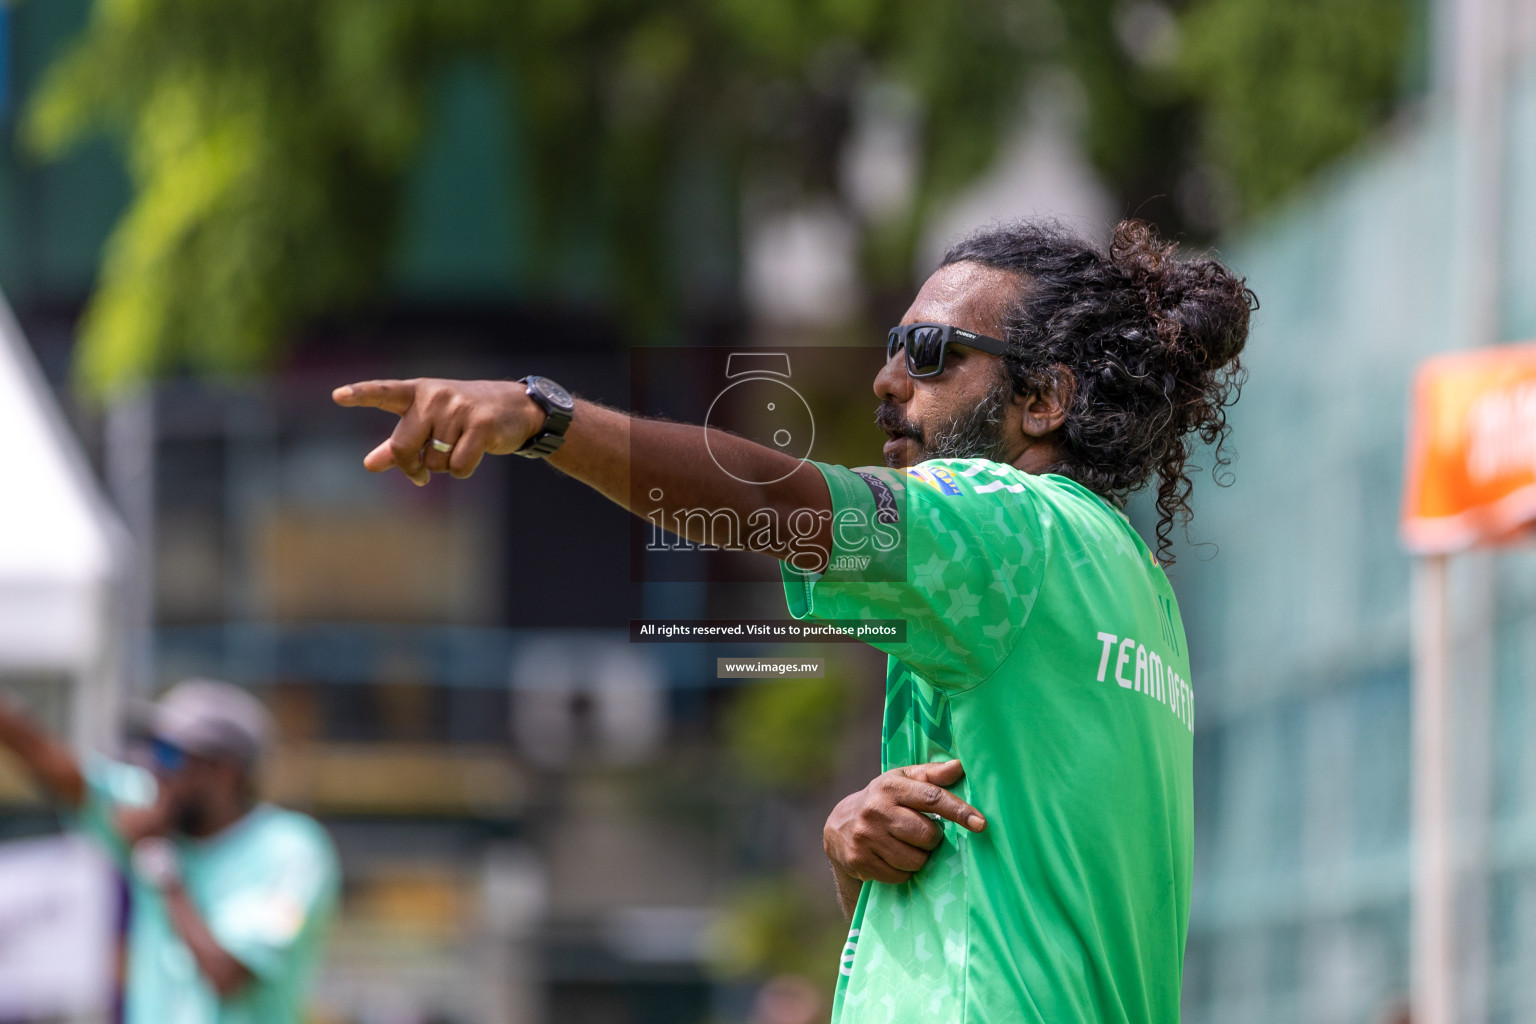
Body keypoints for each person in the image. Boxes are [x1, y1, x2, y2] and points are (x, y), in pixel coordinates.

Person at [334, 218, 1252, 1022]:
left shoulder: (1006, 524)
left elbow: (784, 506)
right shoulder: (1134, 589)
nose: (890, 380)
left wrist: (542, 420)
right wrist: (856, 847)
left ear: (1043, 400)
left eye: (932, 353)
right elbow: (1025, 902)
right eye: (894, 344)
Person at [0, 679, 339, 1024]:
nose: (154, 769)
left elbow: (226, 975)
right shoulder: (163, 816)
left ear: (225, 772)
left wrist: (158, 860)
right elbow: (58, 769)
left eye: (169, 754)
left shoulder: (290, 849)